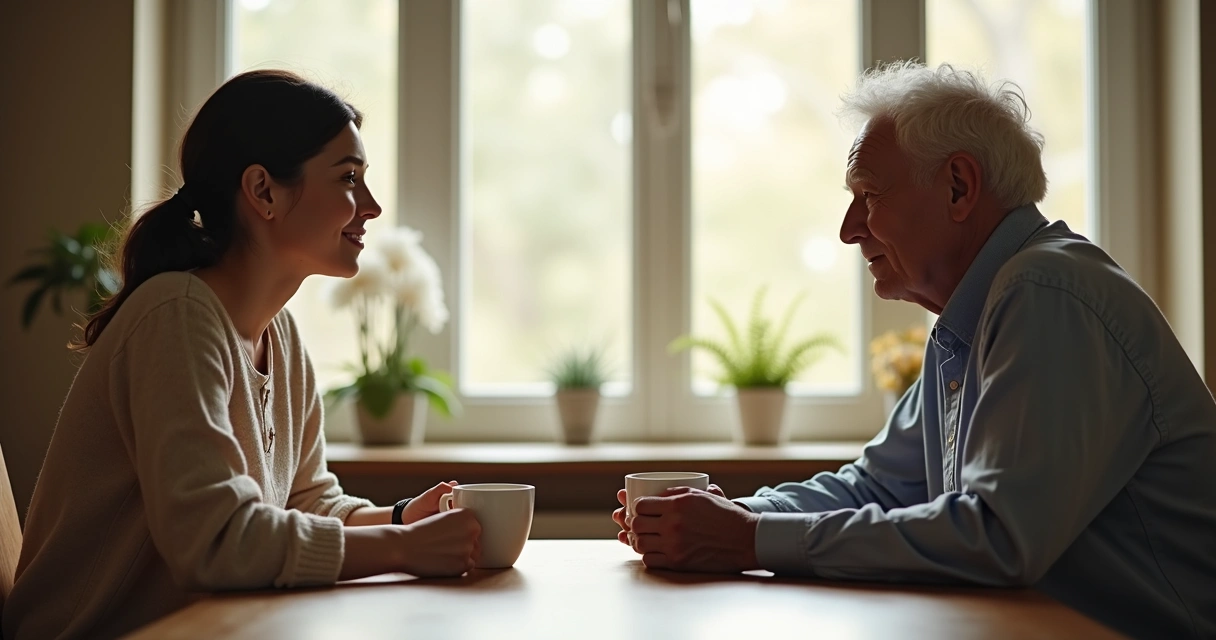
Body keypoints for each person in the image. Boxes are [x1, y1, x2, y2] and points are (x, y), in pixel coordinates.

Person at [613, 62, 1216, 638]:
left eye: (869, 194)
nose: (849, 228)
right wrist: (728, 515)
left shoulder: (1046, 292)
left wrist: (748, 537)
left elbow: (999, 536)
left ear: (959, 187)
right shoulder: (973, 318)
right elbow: (876, 486)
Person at [3, 70, 481, 640]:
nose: (372, 206)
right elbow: (216, 542)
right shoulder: (176, 315)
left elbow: (305, 501)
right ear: (263, 192)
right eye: (349, 178)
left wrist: (402, 518)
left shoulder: (280, 337)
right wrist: (402, 548)